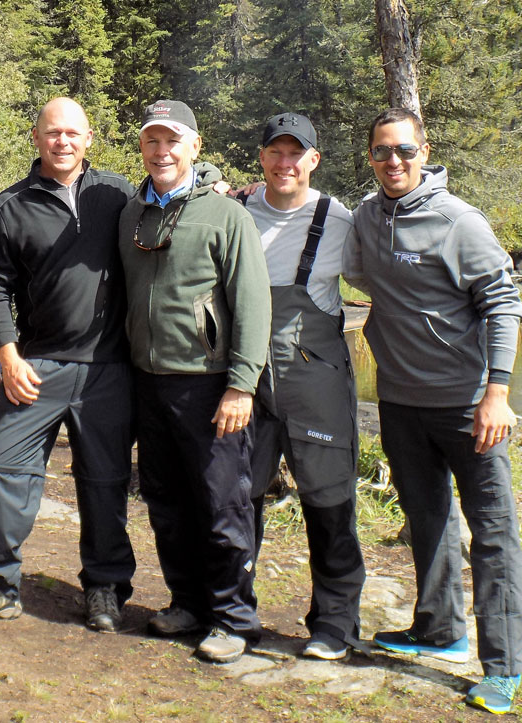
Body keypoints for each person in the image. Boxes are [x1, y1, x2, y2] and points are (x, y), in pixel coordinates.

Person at [344, 107, 522, 715]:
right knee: (428, 518)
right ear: (369, 157)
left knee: (494, 532)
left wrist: (497, 393)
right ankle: (440, 629)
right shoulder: (369, 217)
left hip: (468, 407)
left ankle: (503, 667)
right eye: (380, 152)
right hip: (399, 402)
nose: (393, 162)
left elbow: (503, 304)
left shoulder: (459, 222)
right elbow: (359, 274)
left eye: (404, 151)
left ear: (424, 152)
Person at [0, 97, 136, 632]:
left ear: (90, 138)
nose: (63, 142)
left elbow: (175, 206)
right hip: (36, 365)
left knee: (104, 480)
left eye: (73, 133)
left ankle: (104, 587)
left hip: (108, 368)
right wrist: (6, 353)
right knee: (0, 465)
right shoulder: (10, 206)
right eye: (53, 133)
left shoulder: (118, 196)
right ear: (36, 137)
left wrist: (225, 190)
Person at [119, 99, 270, 664]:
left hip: (209, 385)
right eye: (152, 141)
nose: (162, 152)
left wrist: (242, 384)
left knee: (222, 503)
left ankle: (234, 617)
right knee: (166, 499)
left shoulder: (227, 216)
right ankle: (187, 602)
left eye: (173, 141)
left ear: (194, 147)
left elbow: (252, 304)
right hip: (148, 380)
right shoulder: (133, 215)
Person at [243, 113, 364, 661]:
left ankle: (334, 623)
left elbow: (390, 277)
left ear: (314, 160)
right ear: (262, 157)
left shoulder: (340, 220)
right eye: (276, 152)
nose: (285, 163)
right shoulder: (236, 211)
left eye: (297, 153)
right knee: (237, 496)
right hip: (245, 381)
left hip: (316, 381)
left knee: (328, 497)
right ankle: (231, 610)